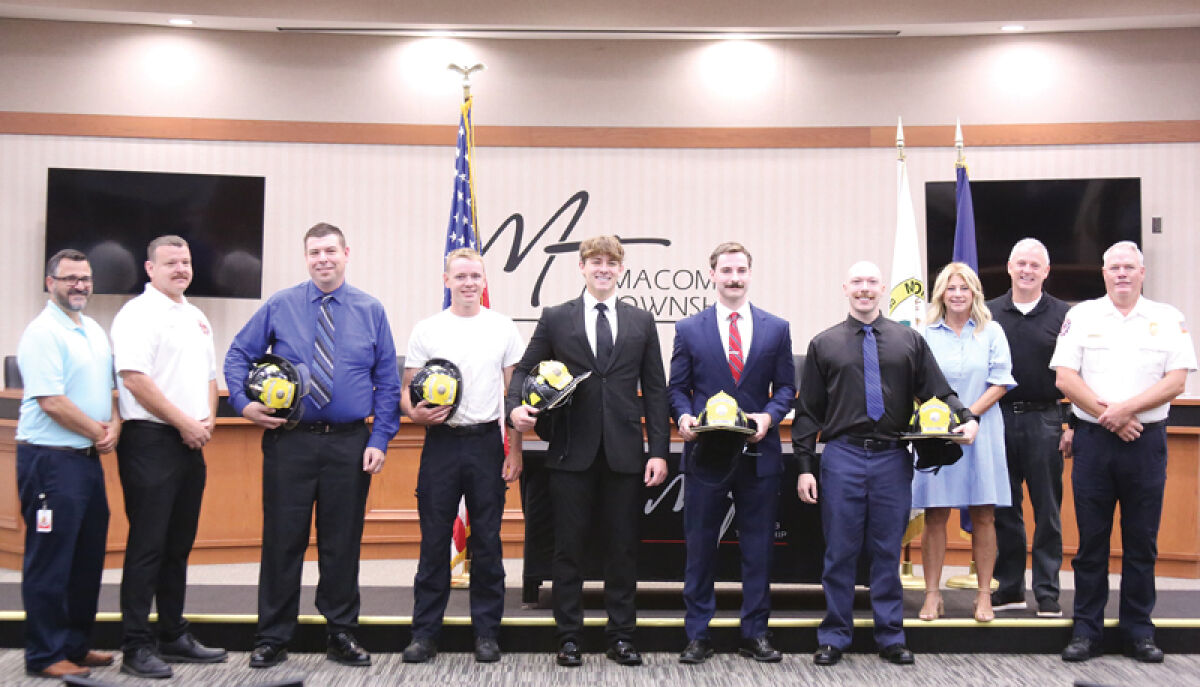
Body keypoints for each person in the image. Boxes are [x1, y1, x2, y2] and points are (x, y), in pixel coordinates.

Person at [224, 222, 401, 669]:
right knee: (283, 542)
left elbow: (386, 381)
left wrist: (380, 438)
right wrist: (243, 404)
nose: (323, 259)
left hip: (350, 445)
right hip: (290, 443)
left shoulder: (370, 309)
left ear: (346, 253)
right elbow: (237, 355)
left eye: (330, 251)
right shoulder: (281, 305)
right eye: (314, 252)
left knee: (342, 544)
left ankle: (341, 633)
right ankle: (272, 637)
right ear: (306, 258)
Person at [794, 260, 978, 667]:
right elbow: (808, 412)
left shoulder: (908, 340)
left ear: (883, 288)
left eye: (872, 282)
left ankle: (891, 635)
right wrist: (805, 465)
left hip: (892, 458)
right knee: (840, 552)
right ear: (845, 288)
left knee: (885, 550)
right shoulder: (824, 344)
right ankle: (835, 636)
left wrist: (966, 417)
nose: (864, 288)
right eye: (857, 282)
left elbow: (938, 391)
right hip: (841, 456)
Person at [507, 235, 670, 668]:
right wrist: (515, 409)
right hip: (569, 453)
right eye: (595, 261)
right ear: (581, 267)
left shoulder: (641, 321)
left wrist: (658, 451)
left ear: (621, 269)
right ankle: (569, 637)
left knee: (622, 548)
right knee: (568, 548)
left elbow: (655, 389)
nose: (603, 268)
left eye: (611, 262)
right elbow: (525, 370)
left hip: (625, 455)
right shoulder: (557, 317)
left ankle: (621, 637)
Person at [1051, 240, 1195, 663]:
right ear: (1103, 273)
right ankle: (1086, 631)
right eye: (1114, 267)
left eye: (1129, 267)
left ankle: (1138, 631)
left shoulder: (1168, 319)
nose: (1122, 274)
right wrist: (1107, 414)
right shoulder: (1081, 316)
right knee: (1091, 544)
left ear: (1142, 273)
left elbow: (1177, 380)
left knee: (1141, 542)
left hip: (1145, 442)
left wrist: (1124, 411)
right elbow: (1064, 377)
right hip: (1094, 443)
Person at [667, 242, 795, 664]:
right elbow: (676, 389)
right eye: (726, 270)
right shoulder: (688, 330)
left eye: (741, 270)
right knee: (700, 547)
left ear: (750, 274)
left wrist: (769, 418)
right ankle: (698, 634)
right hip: (706, 456)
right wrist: (684, 418)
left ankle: (754, 633)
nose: (734, 277)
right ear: (713, 275)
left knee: (757, 549)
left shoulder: (776, 328)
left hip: (759, 456)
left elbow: (788, 390)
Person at [400, 249, 525, 664]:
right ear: (446, 280)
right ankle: (424, 635)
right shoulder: (427, 329)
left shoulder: (503, 328)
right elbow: (407, 391)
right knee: (433, 541)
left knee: (487, 542)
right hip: (441, 443)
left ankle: (487, 634)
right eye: (461, 276)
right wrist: (413, 413)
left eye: (476, 276)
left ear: (484, 281)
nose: (469, 282)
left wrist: (515, 450)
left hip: (488, 444)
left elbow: (515, 398)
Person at [110, 236, 228, 678]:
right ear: (149, 268)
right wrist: (185, 423)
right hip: (151, 441)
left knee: (178, 546)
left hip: (190, 441)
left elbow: (210, 379)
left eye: (186, 261)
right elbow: (135, 380)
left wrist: (206, 421)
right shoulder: (137, 315)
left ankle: (173, 634)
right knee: (147, 547)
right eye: (171, 262)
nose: (180, 268)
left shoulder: (196, 316)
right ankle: (135, 647)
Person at [15, 249, 119, 679]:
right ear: (49, 282)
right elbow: (52, 402)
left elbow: (110, 387)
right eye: (70, 278)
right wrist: (99, 431)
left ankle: (75, 646)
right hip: (49, 463)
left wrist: (114, 423)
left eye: (86, 278)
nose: (80, 285)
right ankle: (44, 654)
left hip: (86, 461)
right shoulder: (42, 333)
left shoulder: (92, 328)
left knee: (86, 558)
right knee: (51, 561)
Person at [911, 262, 1015, 623]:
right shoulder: (924, 333)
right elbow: (916, 383)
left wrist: (967, 416)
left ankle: (984, 596)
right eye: (950, 288)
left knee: (985, 514)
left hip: (981, 432)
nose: (957, 295)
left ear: (975, 293)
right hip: (938, 435)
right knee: (935, 514)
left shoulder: (992, 331)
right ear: (941, 293)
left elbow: (1000, 382)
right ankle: (932, 595)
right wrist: (944, 421)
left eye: (964, 288)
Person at [987, 238, 1072, 618]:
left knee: (1047, 509)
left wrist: (1071, 423)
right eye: (1021, 263)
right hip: (998, 418)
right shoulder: (988, 313)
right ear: (1009, 267)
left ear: (1046, 271)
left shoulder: (1066, 316)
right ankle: (1009, 588)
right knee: (1005, 508)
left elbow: (1078, 372)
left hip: (1046, 419)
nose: (1027, 270)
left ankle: (1048, 591)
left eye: (1035, 265)